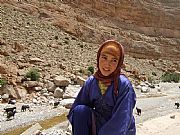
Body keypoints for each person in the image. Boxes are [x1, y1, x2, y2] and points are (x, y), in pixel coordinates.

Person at [67, 40, 136, 135]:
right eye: (104, 57)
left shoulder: (123, 85)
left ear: (119, 63)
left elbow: (122, 118)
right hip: (99, 125)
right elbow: (77, 109)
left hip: (120, 131)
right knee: (80, 110)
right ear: (98, 57)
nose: (107, 64)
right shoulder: (92, 81)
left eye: (114, 60)